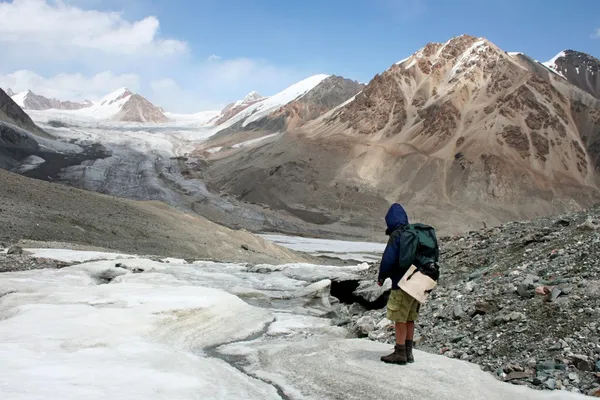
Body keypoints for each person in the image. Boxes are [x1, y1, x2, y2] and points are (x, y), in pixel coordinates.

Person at [376, 203, 420, 365]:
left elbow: (388, 260)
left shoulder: (398, 235)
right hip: (418, 282)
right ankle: (408, 352)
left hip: (402, 282)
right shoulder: (415, 233)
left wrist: (382, 277)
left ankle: (399, 353)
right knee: (410, 318)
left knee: (400, 318)